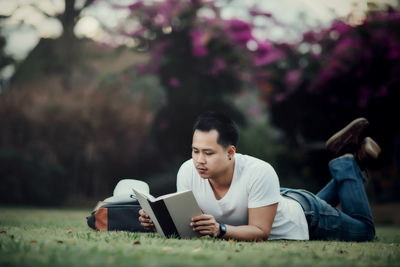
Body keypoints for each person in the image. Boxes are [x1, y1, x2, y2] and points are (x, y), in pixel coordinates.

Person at [139, 112, 380, 241]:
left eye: (208, 153)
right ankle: (356, 162)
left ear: (230, 152)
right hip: (270, 201)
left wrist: (221, 229)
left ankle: (347, 165)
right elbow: (190, 227)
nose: (199, 160)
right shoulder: (187, 171)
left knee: (365, 231)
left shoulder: (259, 171)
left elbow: (260, 232)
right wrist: (156, 221)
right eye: (195, 151)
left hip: (306, 216)